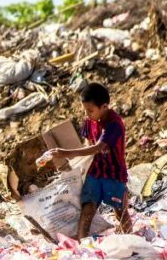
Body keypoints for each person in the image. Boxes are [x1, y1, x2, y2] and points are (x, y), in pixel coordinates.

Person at [42, 82, 130, 238]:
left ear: (104, 107)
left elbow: (97, 148)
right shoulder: (90, 121)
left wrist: (65, 153)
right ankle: (83, 243)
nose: (87, 114)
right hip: (95, 171)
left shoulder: (114, 124)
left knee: (120, 211)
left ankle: (131, 239)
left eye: (90, 110)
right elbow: (88, 144)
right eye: (85, 110)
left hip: (114, 173)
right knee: (88, 207)